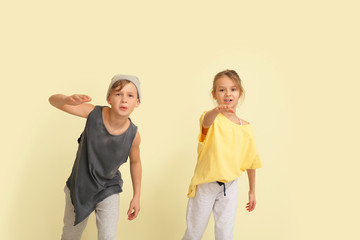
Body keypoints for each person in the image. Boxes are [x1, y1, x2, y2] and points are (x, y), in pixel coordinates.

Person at [49, 74, 142, 240]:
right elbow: (53, 101)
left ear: (137, 102)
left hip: (108, 189)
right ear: (109, 98)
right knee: (70, 235)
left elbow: (135, 162)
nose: (124, 100)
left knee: (108, 236)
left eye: (130, 95)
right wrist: (66, 99)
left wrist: (136, 196)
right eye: (118, 94)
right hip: (79, 186)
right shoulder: (93, 113)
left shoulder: (133, 135)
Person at [182, 70, 263, 240]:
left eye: (233, 89)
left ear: (240, 93)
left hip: (230, 187)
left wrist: (252, 191)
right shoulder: (210, 118)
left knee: (225, 234)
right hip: (206, 185)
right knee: (194, 232)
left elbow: (251, 161)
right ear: (214, 94)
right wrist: (216, 110)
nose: (228, 94)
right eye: (222, 90)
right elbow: (206, 122)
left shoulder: (245, 128)